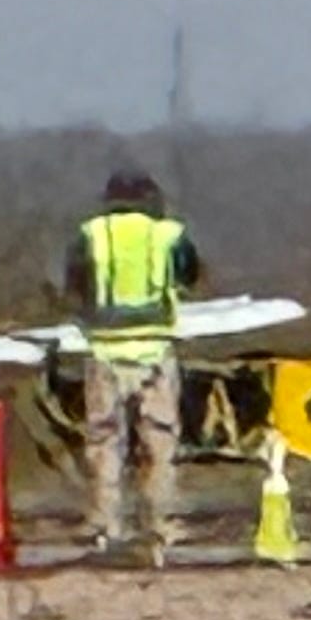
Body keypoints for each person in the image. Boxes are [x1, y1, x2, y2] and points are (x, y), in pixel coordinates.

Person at [65, 169, 202, 563]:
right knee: (159, 441)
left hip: (104, 350)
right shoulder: (167, 234)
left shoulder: (91, 235)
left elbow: (75, 286)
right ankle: (160, 523)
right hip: (155, 350)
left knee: (104, 439)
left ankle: (105, 524)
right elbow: (188, 276)